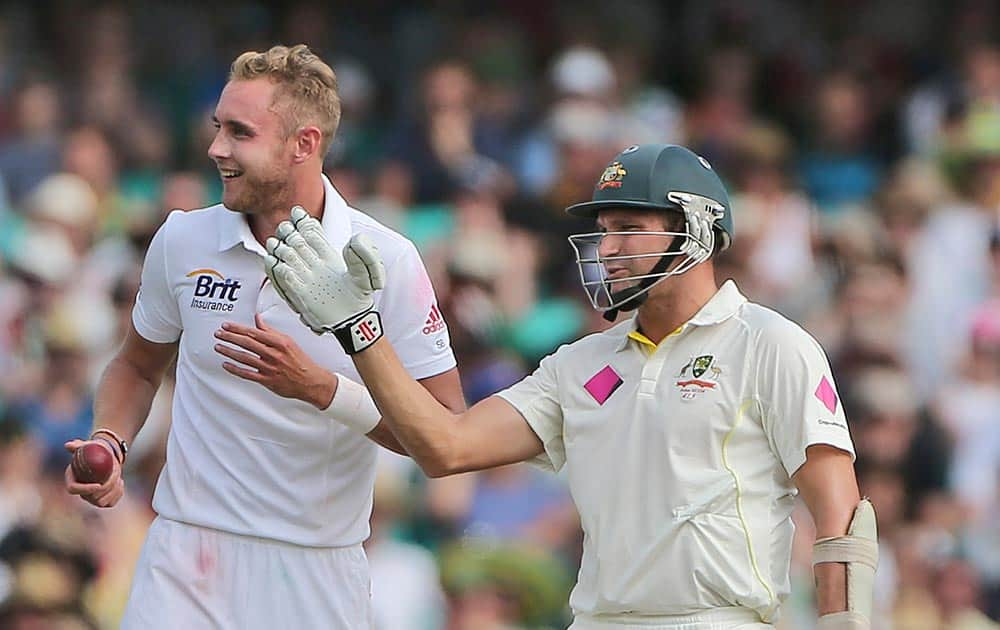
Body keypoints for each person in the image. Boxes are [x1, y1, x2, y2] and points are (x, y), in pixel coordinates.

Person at [260, 144, 878, 629]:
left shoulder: (770, 344)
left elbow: (841, 522)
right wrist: (358, 335)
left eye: (629, 227)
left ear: (696, 226)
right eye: (603, 230)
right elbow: (445, 446)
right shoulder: (577, 365)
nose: (606, 249)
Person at [62, 44, 464, 630]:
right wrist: (112, 440)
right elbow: (137, 366)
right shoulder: (182, 241)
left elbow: (445, 431)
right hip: (186, 552)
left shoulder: (388, 260)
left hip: (315, 569)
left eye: (240, 133)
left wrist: (322, 389)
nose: (216, 148)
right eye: (217, 127)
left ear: (304, 144)